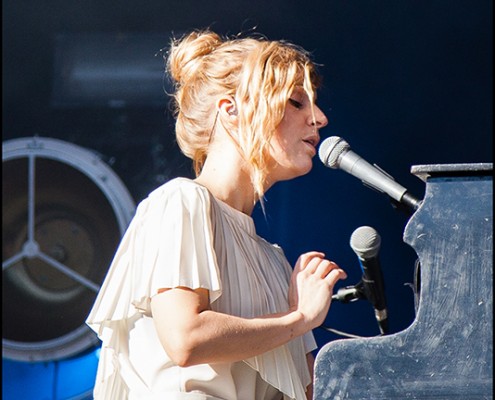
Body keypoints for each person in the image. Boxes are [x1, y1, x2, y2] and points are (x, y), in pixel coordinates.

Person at [86, 28, 347, 400]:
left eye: (314, 104)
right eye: (296, 102)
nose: (319, 118)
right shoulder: (181, 201)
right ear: (231, 110)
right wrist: (300, 318)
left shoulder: (274, 261)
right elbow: (186, 338)